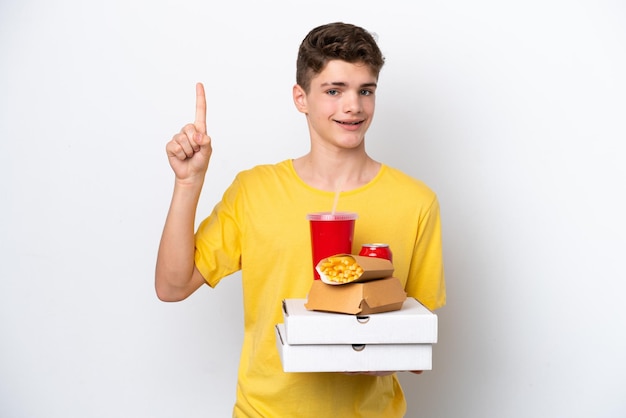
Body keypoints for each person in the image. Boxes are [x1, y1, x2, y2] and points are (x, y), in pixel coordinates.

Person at [156, 21, 446, 418]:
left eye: (366, 90)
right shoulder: (254, 191)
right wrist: (188, 184)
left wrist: (351, 348)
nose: (353, 106)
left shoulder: (417, 202)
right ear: (301, 97)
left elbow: (417, 347)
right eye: (333, 90)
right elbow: (172, 286)